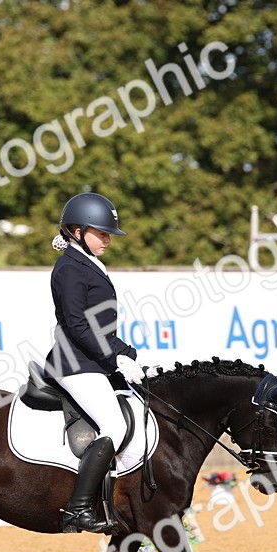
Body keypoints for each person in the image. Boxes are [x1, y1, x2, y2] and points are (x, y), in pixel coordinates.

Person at [44, 192, 156, 533]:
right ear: (77, 231)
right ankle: (77, 509)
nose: (108, 239)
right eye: (101, 233)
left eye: (109, 234)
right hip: (74, 363)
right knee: (115, 426)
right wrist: (116, 355)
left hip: (94, 360)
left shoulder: (86, 262)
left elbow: (98, 327)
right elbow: (78, 326)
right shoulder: (69, 268)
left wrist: (127, 354)